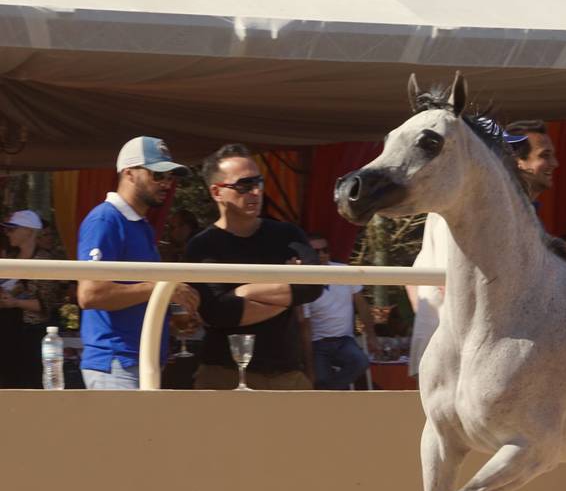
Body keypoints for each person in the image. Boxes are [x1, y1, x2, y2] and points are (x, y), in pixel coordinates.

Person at [407, 125, 556, 375]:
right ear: (517, 162)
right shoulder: (468, 208)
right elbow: (452, 281)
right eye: (545, 155)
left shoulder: (518, 212)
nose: (555, 163)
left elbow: (416, 276)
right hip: (461, 360)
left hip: (489, 356)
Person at [185, 143, 322, 390]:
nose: (256, 192)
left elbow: (312, 286)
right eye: (244, 186)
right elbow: (218, 313)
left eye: (258, 182)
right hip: (223, 375)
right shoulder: (201, 246)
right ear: (217, 192)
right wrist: (288, 292)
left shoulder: (287, 234)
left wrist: (243, 292)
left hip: (287, 374)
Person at [76, 136, 199, 390]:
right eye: (157, 175)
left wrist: (172, 316)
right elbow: (89, 294)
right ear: (129, 174)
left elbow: (133, 294)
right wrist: (161, 288)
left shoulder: (137, 224)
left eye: (169, 177)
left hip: (135, 364)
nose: (166, 183)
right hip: (117, 363)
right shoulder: (105, 219)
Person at [303, 234, 379, 390]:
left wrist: (372, 335)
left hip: (344, 340)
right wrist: (307, 357)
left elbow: (362, 305)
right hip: (318, 343)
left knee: (361, 362)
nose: (322, 255)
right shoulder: (303, 279)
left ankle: (329, 394)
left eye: (325, 250)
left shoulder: (344, 271)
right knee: (320, 378)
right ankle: (333, 397)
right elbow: (305, 324)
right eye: (316, 251)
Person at [0, 210, 63, 387]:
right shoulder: (10, 258)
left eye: (12, 229)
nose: (8, 233)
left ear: (29, 230)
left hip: (30, 334)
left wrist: (15, 302)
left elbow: (47, 303)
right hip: (7, 332)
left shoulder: (44, 261)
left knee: (27, 382)